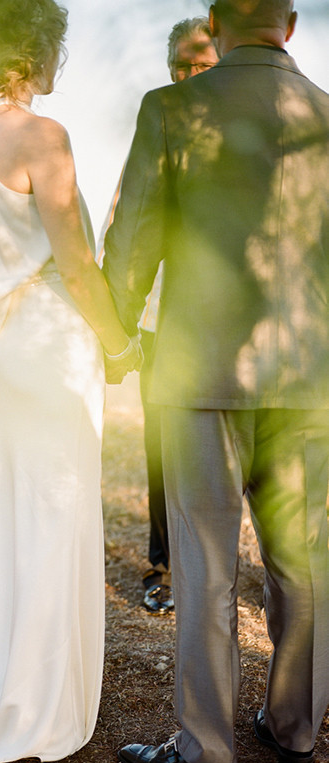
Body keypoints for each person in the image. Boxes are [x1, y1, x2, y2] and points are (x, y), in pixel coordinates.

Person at [102, 1, 329, 763]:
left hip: (199, 375)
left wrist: (117, 334)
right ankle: (296, 729)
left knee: (204, 566)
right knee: (304, 563)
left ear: (215, 20)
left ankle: (207, 755)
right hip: (310, 382)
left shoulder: (172, 107)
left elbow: (134, 233)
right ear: (290, 24)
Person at [0, 0, 140, 763]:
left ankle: (4, 684)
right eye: (57, 46)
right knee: (57, 516)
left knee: (14, 513)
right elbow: (78, 263)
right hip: (56, 344)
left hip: (8, 346)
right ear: (35, 48)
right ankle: (43, 705)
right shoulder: (43, 136)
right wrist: (119, 343)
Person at [139, 16, 218, 616]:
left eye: (202, 65)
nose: (190, 77)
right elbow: (128, 223)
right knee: (162, 452)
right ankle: (163, 566)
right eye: (180, 67)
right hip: (160, 326)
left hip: (230, 329)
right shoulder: (159, 125)